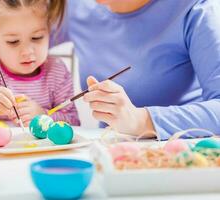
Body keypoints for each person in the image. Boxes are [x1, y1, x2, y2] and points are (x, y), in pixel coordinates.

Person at [52, 0, 220, 139]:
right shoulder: (75, 7)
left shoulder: (195, 8)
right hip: (109, 154)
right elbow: (28, 38)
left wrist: (141, 121)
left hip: (182, 154)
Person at [0, 0, 80, 127]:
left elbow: (73, 121)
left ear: (48, 31)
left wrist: (44, 116)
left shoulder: (57, 72)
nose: (27, 52)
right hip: (1, 150)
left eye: (37, 37)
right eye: (13, 41)